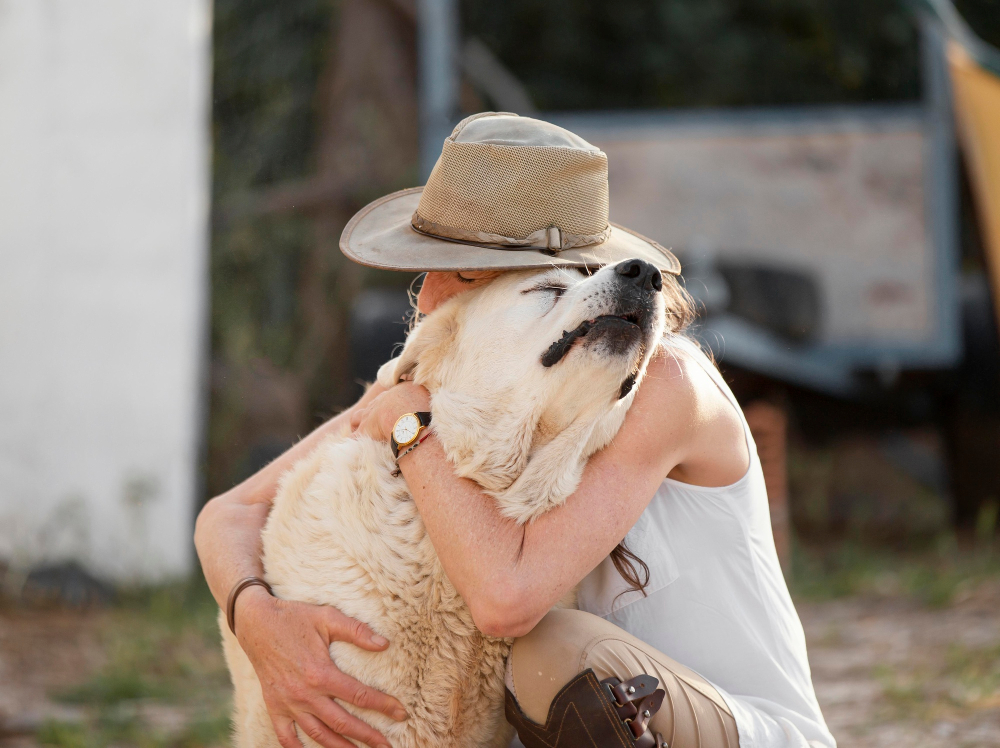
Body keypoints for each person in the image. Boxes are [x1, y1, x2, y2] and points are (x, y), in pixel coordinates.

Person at [195, 112, 835, 748]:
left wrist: (413, 427)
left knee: (550, 657)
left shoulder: (663, 383)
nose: (426, 294)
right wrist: (258, 618)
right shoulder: (452, 384)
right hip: (611, 719)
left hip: (747, 732)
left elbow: (506, 597)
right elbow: (229, 513)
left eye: (453, 269)